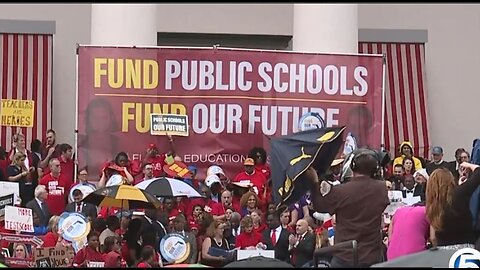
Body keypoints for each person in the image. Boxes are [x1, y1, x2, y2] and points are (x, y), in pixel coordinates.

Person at [308, 148, 390, 267]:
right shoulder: (381, 188)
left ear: (352, 166)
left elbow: (319, 206)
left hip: (345, 257)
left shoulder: (340, 191)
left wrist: (314, 182)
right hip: (372, 257)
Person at [426, 163, 480, 247]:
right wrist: (467, 164)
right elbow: (478, 173)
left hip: (443, 250)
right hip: (464, 248)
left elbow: (433, 238)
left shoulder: (433, 204)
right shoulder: (460, 193)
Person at [78, 98, 120, 179]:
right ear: (88, 119)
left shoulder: (118, 143)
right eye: (95, 118)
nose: (100, 122)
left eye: (104, 118)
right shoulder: (82, 147)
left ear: (111, 118)